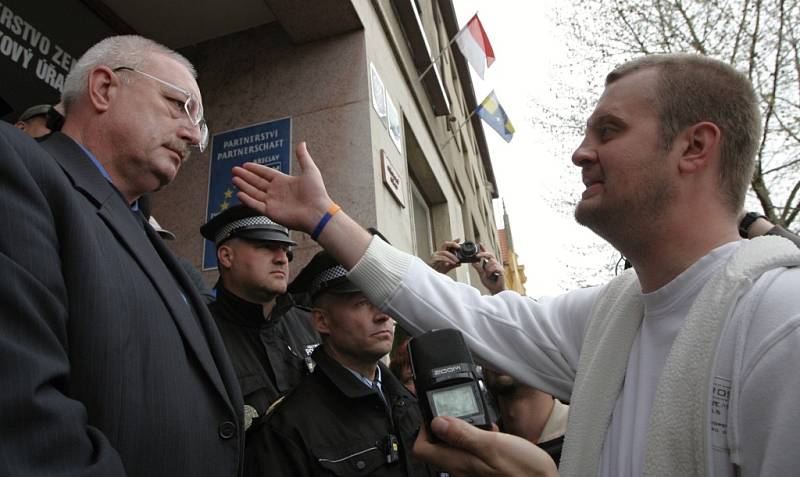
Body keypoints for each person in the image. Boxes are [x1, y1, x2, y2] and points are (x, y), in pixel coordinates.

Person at [231, 53, 800, 477]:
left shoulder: (779, 324)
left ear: (695, 148)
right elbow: (463, 314)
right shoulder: (612, 315)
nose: (580, 152)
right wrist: (324, 218)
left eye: (609, 130)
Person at [0, 35, 244, 476]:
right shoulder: (18, 168)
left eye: (200, 125)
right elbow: (21, 408)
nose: (192, 135)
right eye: (178, 104)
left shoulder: (151, 240)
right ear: (104, 89)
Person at [250, 250, 441, 476]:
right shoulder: (288, 428)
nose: (383, 315)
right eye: (362, 302)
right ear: (322, 320)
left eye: (384, 301)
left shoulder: (409, 400)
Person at [200, 204, 319, 470]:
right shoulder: (199, 332)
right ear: (226, 256)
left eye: (286, 250)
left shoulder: (310, 324)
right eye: (266, 246)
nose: (282, 258)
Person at [430, 239, 567, 465]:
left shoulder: (589, 432)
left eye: (513, 340)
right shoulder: (480, 448)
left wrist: (501, 292)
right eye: (490, 340)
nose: (498, 350)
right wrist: (431, 280)